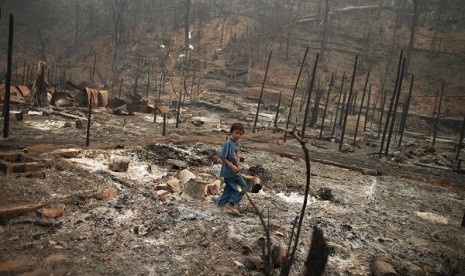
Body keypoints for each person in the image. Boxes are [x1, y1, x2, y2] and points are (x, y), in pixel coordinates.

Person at [217, 123, 248, 217]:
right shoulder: (228, 143)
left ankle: (221, 206)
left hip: (232, 171)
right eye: (236, 133)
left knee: (229, 189)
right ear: (231, 132)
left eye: (240, 134)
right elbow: (222, 156)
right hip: (230, 172)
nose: (238, 135)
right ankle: (231, 204)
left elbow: (234, 155)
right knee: (241, 187)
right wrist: (232, 166)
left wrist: (239, 159)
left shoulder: (236, 143)